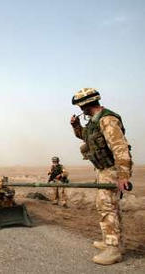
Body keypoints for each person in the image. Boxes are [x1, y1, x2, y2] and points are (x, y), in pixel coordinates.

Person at [71, 88, 133, 265]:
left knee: (107, 206)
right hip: (102, 169)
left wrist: (123, 175)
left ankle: (113, 249)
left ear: (85, 105)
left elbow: (120, 147)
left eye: (80, 106)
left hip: (111, 169)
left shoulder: (107, 119)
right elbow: (86, 138)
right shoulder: (94, 122)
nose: (80, 110)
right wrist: (76, 126)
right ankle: (111, 241)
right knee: (107, 205)